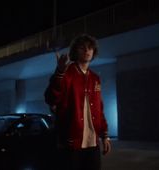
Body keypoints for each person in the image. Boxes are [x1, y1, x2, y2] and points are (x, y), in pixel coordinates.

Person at [45, 34, 111, 170]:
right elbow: (51, 98)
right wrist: (59, 72)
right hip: (71, 144)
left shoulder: (95, 78)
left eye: (90, 48)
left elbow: (99, 108)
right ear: (75, 51)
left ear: (94, 52)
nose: (87, 50)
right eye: (83, 47)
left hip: (93, 144)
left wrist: (105, 136)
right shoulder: (66, 72)